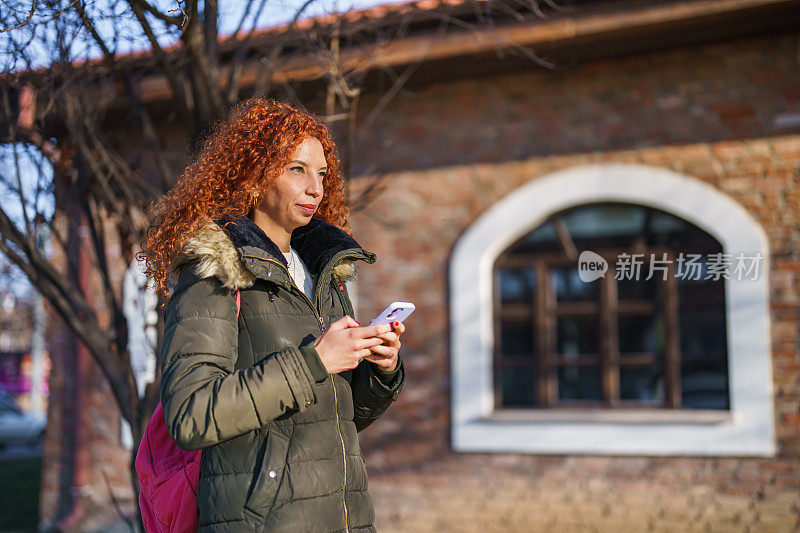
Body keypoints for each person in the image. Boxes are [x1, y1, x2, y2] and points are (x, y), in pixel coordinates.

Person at [140, 98, 406, 532]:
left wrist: (380, 368)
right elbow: (191, 414)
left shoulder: (326, 274)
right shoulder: (214, 273)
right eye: (297, 169)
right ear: (253, 174)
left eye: (321, 174)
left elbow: (339, 420)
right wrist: (315, 361)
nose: (316, 189)